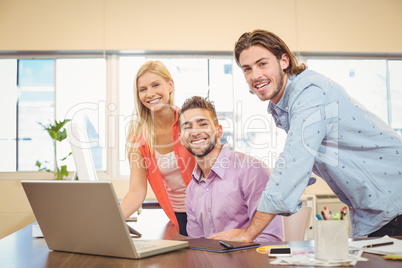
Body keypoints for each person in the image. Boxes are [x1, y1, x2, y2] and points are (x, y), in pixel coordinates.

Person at [210, 29, 402, 242]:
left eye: (262, 63)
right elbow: (299, 164)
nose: (255, 75)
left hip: (394, 200)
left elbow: (295, 161)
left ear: (284, 61)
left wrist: (248, 233)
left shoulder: (310, 91)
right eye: (247, 69)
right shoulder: (283, 107)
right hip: (373, 213)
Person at [178, 96, 284, 242]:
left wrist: (242, 238)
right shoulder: (191, 189)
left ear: (219, 131)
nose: (195, 132)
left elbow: (271, 238)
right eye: (187, 127)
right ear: (181, 138)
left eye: (203, 124)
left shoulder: (251, 171)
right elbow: (197, 244)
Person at [120, 60, 196, 236]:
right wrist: (111, 221)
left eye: (156, 85)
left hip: (209, 212)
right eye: (143, 89)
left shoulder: (191, 121)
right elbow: (136, 191)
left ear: (170, 85)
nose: (150, 94)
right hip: (178, 216)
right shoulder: (139, 138)